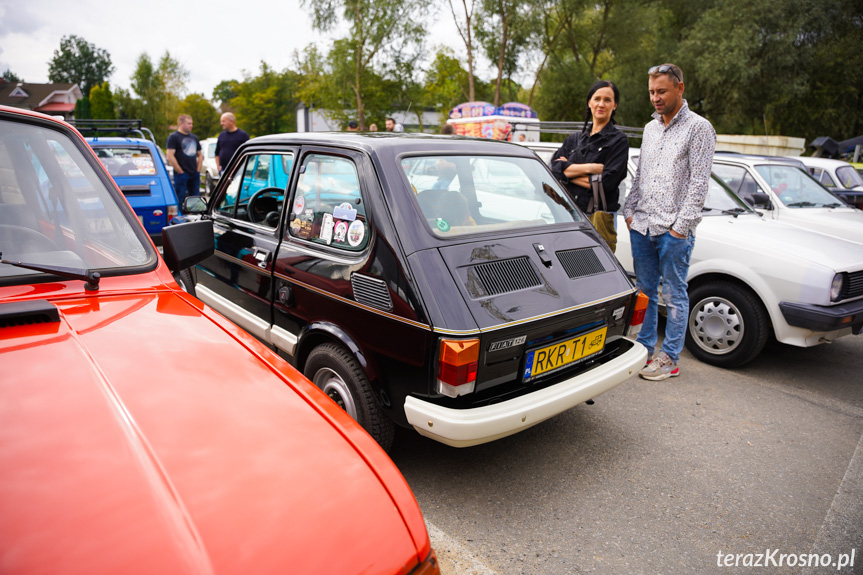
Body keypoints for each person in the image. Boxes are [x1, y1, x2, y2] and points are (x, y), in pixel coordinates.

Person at [623, 63, 716, 381]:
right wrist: (630, 211)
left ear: (680, 88)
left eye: (661, 91)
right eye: (651, 92)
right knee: (645, 292)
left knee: (674, 294)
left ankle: (670, 357)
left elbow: (699, 183)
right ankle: (646, 349)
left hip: (673, 231)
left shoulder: (699, 128)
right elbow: (641, 175)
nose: (655, 98)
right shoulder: (650, 129)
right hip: (642, 225)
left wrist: (681, 228)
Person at [551, 80, 629, 253]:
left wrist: (568, 173)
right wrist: (591, 168)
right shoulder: (573, 140)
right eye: (597, 98)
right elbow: (553, 171)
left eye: (607, 100)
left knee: (597, 273)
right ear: (589, 102)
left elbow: (607, 183)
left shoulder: (619, 141)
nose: (601, 104)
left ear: (615, 105)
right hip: (568, 215)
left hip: (598, 219)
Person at [166, 114, 203, 207]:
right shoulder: (174, 137)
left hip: (194, 173)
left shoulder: (194, 138)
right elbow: (170, 156)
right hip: (182, 174)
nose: (191, 125)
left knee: (195, 198)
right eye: (189, 123)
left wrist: (198, 170)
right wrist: (180, 171)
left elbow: (200, 155)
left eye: (192, 123)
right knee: (180, 197)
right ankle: (181, 217)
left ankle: (195, 216)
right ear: (181, 123)